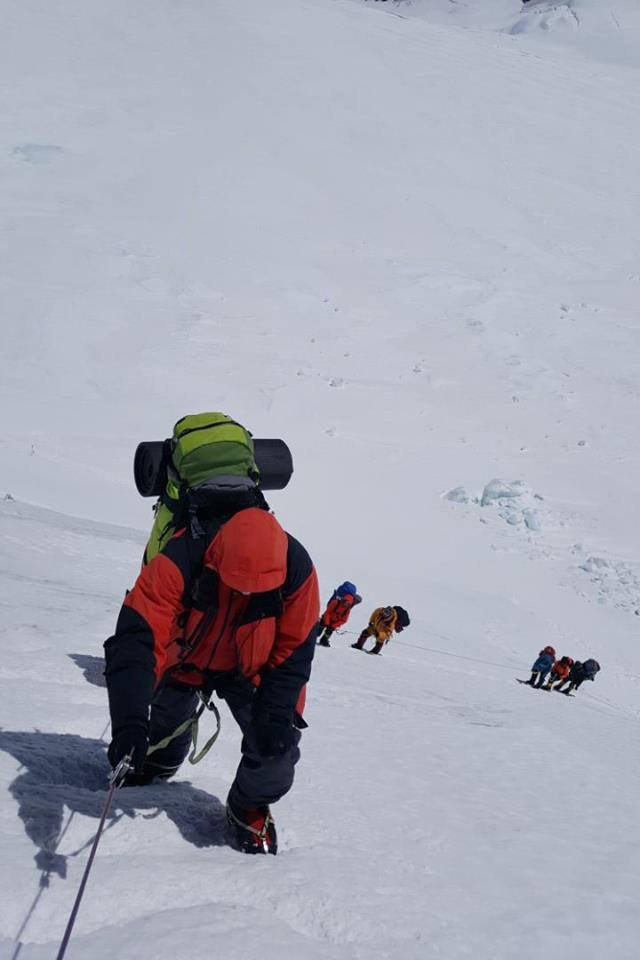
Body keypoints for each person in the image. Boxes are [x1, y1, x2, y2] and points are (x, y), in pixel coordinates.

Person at [104, 506, 320, 855]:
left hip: (249, 671)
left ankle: (248, 803)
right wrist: (128, 722)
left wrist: (277, 715)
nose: (246, 597)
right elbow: (137, 640)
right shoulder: (181, 555)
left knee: (276, 751)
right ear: (216, 559)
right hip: (186, 660)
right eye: (237, 587)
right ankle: (161, 759)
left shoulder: (297, 571)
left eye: (257, 594)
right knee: (163, 722)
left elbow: (294, 653)